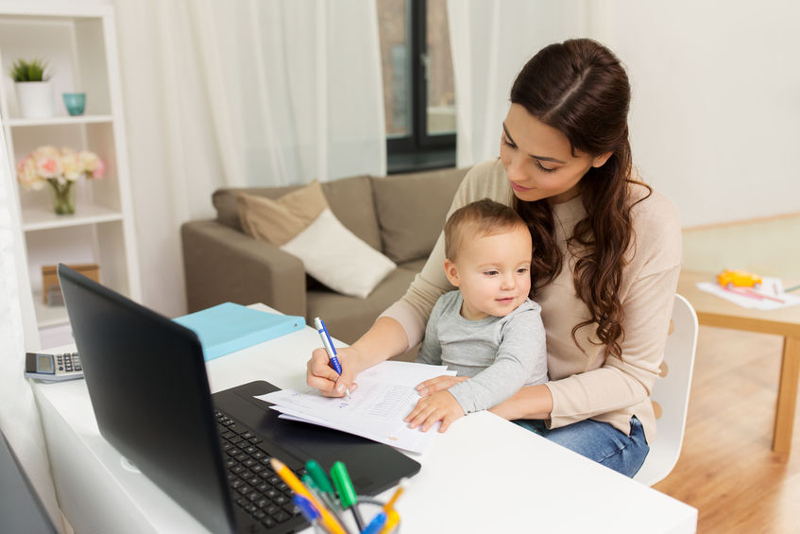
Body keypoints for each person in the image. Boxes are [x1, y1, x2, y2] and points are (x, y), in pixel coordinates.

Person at [306, 38, 681, 478]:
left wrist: (493, 401)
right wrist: (354, 358)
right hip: (481, 398)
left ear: (601, 156)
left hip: (596, 420)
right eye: (509, 141)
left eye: (545, 165)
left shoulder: (648, 223)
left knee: (496, 487)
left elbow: (630, 377)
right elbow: (426, 298)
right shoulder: (487, 181)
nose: (514, 171)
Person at [405, 198, 548, 433]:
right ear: (455, 273)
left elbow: (511, 371)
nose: (511, 284)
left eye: (521, 269)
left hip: (517, 421)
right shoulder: (444, 307)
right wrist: (415, 394)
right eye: (492, 272)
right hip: (457, 409)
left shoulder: (524, 318)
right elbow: (428, 362)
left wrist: (457, 399)